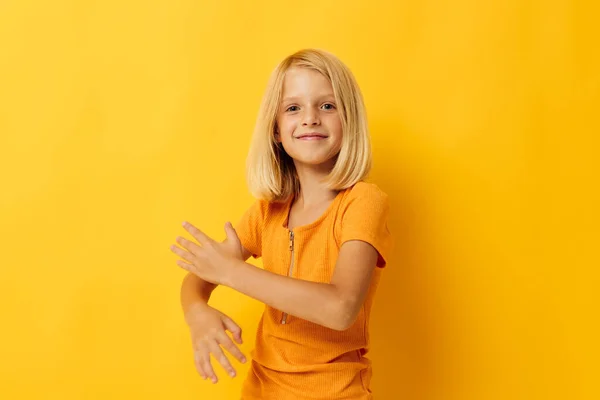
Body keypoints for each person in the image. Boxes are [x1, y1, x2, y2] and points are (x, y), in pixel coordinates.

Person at [170, 48, 393, 399]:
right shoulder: (267, 212)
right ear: (275, 130)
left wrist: (231, 273)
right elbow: (196, 280)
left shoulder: (362, 203)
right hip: (262, 390)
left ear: (349, 119)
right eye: (293, 108)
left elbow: (340, 309)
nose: (310, 119)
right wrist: (197, 313)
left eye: (327, 105)